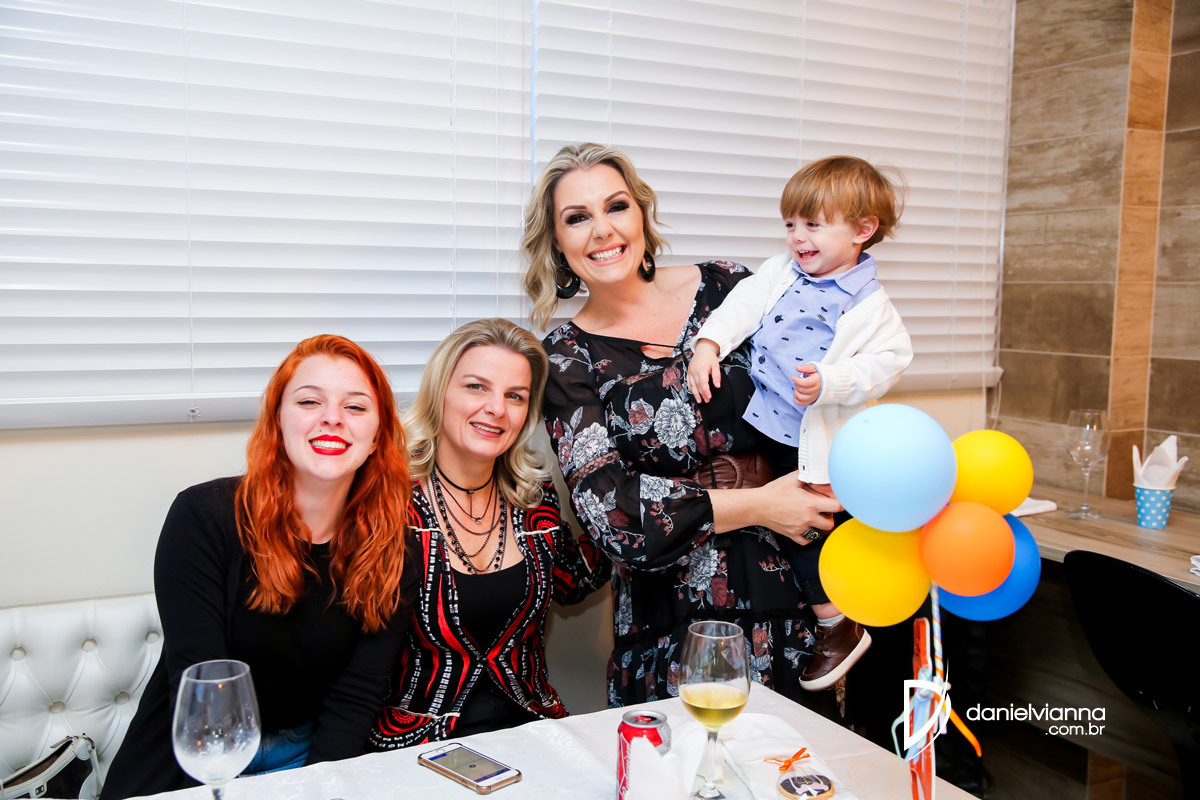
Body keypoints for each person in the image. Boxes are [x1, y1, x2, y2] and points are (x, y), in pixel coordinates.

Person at [523, 143, 843, 706]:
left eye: (616, 206)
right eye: (577, 217)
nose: (602, 230)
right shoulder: (566, 359)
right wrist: (762, 505)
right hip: (670, 624)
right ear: (556, 242)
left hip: (799, 587)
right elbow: (615, 516)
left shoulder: (731, 288)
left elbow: (819, 378)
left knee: (802, 756)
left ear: (641, 214)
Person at [101, 335, 419, 800]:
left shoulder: (396, 546)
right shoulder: (203, 517)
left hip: (309, 754)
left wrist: (316, 787)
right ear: (277, 421)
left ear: (376, 439)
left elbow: (356, 697)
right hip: (193, 759)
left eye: (355, 407)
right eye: (309, 401)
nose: (332, 417)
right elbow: (204, 689)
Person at [686, 155, 913, 690]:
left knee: (808, 530)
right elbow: (741, 307)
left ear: (862, 230)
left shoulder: (870, 303)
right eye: (790, 224)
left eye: (813, 224)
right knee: (771, 519)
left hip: (815, 438)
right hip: (766, 420)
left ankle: (837, 624)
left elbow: (891, 361)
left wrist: (832, 381)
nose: (797, 237)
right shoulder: (781, 272)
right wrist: (709, 344)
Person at [368, 318, 609, 748]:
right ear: (440, 393)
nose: (496, 408)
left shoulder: (535, 497)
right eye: (476, 387)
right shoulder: (387, 501)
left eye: (515, 396)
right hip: (415, 746)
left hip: (532, 731)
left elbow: (574, 581)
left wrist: (623, 493)